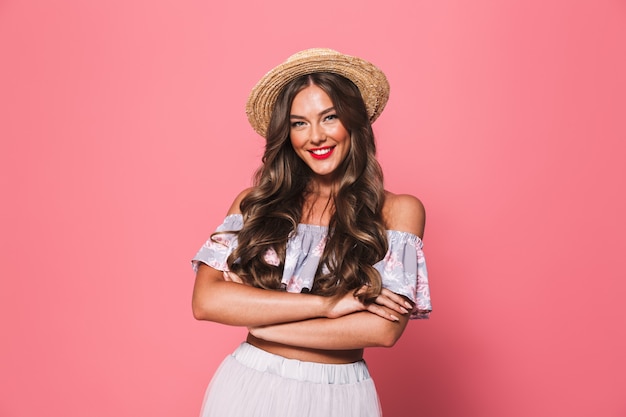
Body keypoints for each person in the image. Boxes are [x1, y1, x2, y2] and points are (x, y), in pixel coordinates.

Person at [191, 48, 431, 417]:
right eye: (299, 123)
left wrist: (260, 325)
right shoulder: (254, 204)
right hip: (247, 387)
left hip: (340, 396)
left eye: (329, 117)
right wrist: (329, 305)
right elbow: (207, 302)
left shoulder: (398, 211)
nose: (315, 137)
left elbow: (382, 331)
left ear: (354, 121)